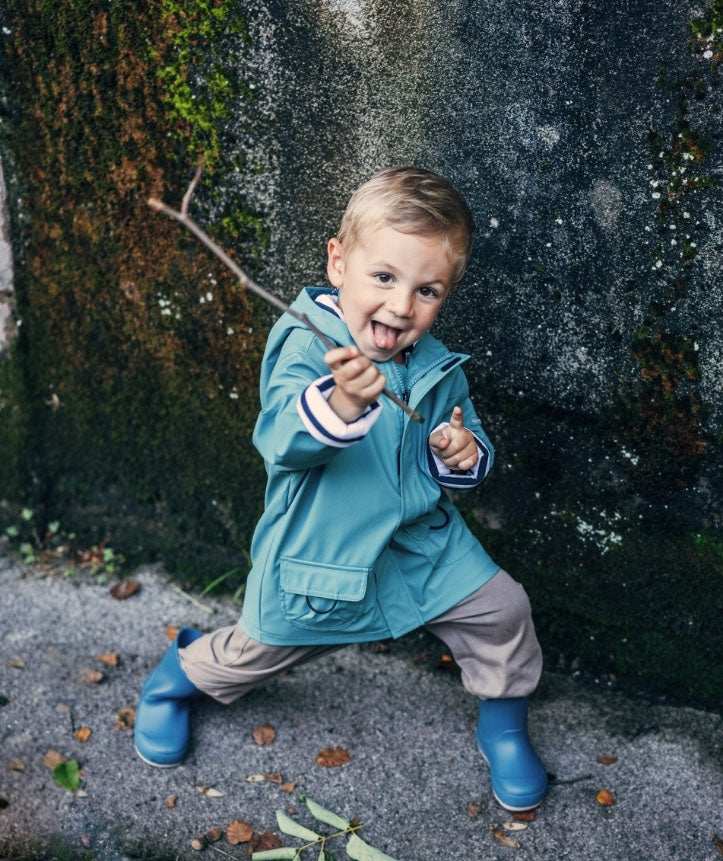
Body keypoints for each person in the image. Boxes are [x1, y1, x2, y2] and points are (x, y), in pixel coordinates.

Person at [134, 167, 547, 812]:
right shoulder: (305, 345)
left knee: (502, 612)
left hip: (420, 547)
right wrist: (341, 404)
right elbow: (280, 437)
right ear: (338, 262)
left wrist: (461, 451)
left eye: (427, 290)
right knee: (256, 650)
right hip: (320, 554)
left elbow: (465, 435)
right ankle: (175, 679)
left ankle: (504, 723)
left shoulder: (436, 366)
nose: (401, 306)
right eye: (383, 277)